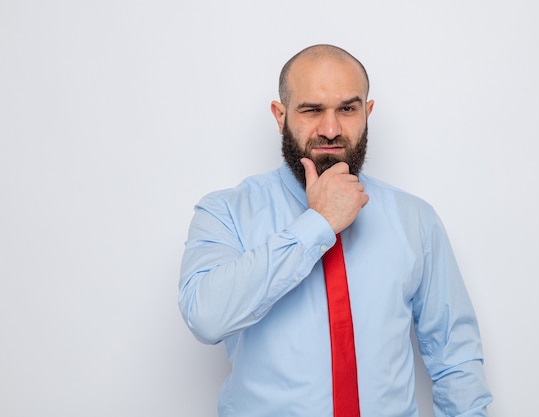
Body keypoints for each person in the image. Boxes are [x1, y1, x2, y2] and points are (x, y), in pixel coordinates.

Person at [178, 44, 492, 417]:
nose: (331, 129)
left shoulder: (416, 220)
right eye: (312, 110)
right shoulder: (226, 211)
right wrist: (318, 224)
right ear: (280, 116)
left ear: (367, 113)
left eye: (347, 108)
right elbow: (206, 317)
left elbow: (455, 359)